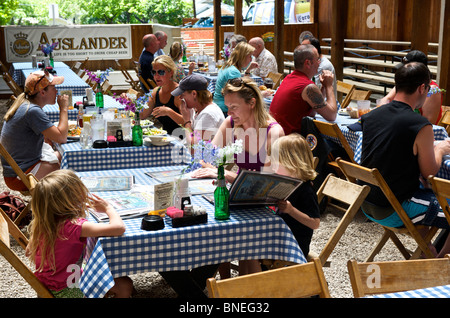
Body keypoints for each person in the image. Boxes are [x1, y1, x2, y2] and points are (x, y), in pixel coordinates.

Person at [193, 77, 284, 277]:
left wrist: (225, 173)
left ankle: (240, 289)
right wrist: (218, 170)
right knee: (212, 224)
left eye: (234, 107)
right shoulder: (232, 123)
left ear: (252, 103)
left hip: (267, 205)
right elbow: (205, 158)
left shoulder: (273, 132)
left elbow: (269, 183)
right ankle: (224, 284)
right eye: (227, 107)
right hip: (240, 198)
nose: (229, 112)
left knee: (237, 237)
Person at [360, 62, 450, 257]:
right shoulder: (419, 125)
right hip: (393, 209)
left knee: (422, 193)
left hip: (366, 202)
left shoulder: (372, 116)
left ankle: (429, 254)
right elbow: (431, 173)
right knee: (437, 199)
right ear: (421, 88)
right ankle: (442, 263)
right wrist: (441, 150)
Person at [26, 169, 134, 298]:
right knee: (125, 285)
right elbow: (119, 228)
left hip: (48, 286)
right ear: (74, 198)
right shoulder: (74, 226)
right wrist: (108, 208)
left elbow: (28, 251)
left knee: (97, 269)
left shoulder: (42, 224)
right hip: (68, 290)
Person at [0, 70, 68, 192]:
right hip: (19, 177)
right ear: (42, 92)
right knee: (69, 169)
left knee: (65, 157)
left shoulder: (25, 104)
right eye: (53, 88)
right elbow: (62, 138)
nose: (57, 91)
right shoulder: (32, 111)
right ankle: (57, 208)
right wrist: (63, 108)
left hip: (15, 171)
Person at [269, 44, 337, 135]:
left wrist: (324, 87)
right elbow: (332, 115)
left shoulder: (289, 78)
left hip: (275, 137)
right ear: (308, 63)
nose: (319, 62)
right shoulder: (308, 87)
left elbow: (312, 112)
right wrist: (329, 86)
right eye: (318, 59)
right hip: (289, 143)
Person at [270, 133, 320, 257]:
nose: (272, 165)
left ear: (292, 163)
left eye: (276, 162)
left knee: (252, 250)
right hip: (280, 237)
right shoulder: (285, 183)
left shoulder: (305, 189)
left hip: (294, 245)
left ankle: (256, 276)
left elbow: (315, 223)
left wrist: (291, 210)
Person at [379, 50, 443, 125]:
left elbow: (427, 123)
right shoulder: (406, 82)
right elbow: (386, 99)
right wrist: (380, 113)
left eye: (407, 67)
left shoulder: (432, 90)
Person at [171, 74, 225, 148]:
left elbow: (194, 148)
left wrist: (187, 120)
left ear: (194, 94)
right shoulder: (197, 109)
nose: (180, 98)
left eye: (183, 95)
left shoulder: (208, 114)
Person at [141, 55, 184, 135]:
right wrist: (129, 103)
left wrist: (169, 112)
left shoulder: (179, 93)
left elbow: (188, 123)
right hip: (165, 139)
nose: (156, 76)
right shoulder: (156, 91)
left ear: (171, 72)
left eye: (161, 72)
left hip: (182, 139)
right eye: (154, 72)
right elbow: (143, 115)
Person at [213, 42, 256, 116]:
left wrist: (248, 71)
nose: (251, 59)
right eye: (250, 56)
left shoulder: (228, 66)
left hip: (218, 105)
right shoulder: (233, 71)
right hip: (225, 109)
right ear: (243, 57)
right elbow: (239, 94)